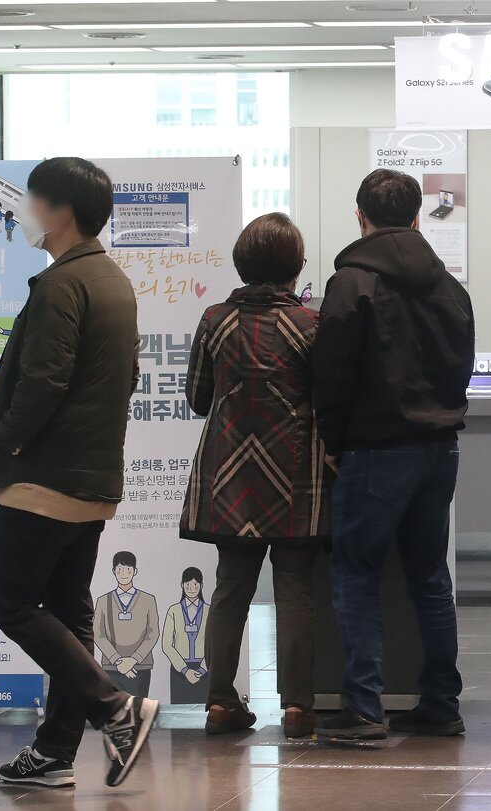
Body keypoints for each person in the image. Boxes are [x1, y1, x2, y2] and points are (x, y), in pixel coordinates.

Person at [0, 157, 159, 789]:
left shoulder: (60, 285)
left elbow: (42, 380)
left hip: (45, 479)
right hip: (91, 478)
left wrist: (11, 441)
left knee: (13, 604)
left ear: (61, 211)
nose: (25, 211)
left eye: (33, 200)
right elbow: (123, 378)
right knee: (70, 616)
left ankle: (115, 707)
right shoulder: (112, 280)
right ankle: (54, 754)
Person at [311, 169, 475, 741]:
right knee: (430, 575)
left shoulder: (350, 284)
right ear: (415, 217)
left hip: (375, 450)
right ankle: (442, 702)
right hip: (439, 448)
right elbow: (461, 369)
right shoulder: (450, 288)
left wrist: (332, 439)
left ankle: (363, 706)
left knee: (356, 572)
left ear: (360, 216)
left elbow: (330, 372)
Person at [180, 212, 329, 740]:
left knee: (230, 589)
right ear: (296, 267)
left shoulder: (214, 320)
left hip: (229, 476)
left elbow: (199, 398)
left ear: (243, 264)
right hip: (295, 475)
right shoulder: (311, 325)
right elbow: (328, 403)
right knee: (295, 589)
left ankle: (221, 702)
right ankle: (298, 709)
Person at [94, 551, 159, 700]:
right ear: (114, 571)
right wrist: (117, 660)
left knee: (139, 712)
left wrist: (133, 659)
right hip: (111, 667)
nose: (124, 573)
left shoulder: (148, 600)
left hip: (140, 666)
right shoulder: (104, 600)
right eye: (119, 569)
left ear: (135, 571)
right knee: (113, 715)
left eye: (128, 569)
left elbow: (153, 633)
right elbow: (98, 633)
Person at [160, 567, 209, 706]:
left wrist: (202, 669)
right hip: (179, 670)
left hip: (203, 669)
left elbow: (214, 644)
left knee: (202, 712)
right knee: (179, 712)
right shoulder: (174, 610)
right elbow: (167, 644)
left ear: (201, 586)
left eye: (195, 584)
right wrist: (185, 670)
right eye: (187, 584)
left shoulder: (208, 611)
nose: (191, 588)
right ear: (182, 585)